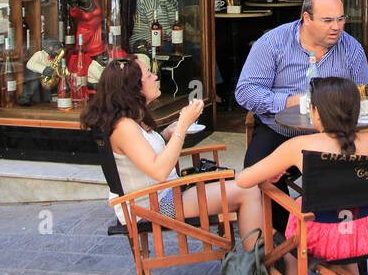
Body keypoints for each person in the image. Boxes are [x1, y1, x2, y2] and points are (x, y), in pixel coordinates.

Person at [237, 76, 368, 275]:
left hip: (319, 239)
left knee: (292, 249)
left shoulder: (298, 146)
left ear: (316, 114)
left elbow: (245, 180)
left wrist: (274, 171)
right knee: (345, 213)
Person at [81, 56, 262, 248]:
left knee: (247, 184)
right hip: (154, 205)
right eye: (149, 75)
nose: (155, 77)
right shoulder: (124, 126)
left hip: (163, 194)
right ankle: (257, 265)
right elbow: (158, 171)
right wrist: (183, 125)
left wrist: (166, 134)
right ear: (134, 88)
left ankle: (258, 255)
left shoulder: (132, 119)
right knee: (248, 191)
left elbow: (144, 154)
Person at [235, 0, 368, 166]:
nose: (336, 27)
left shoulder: (351, 48)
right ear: (307, 18)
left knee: (365, 170)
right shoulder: (272, 43)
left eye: (341, 19)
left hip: (335, 134)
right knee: (256, 171)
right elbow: (246, 92)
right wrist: (288, 102)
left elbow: (364, 93)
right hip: (281, 132)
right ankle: (277, 195)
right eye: (328, 20)